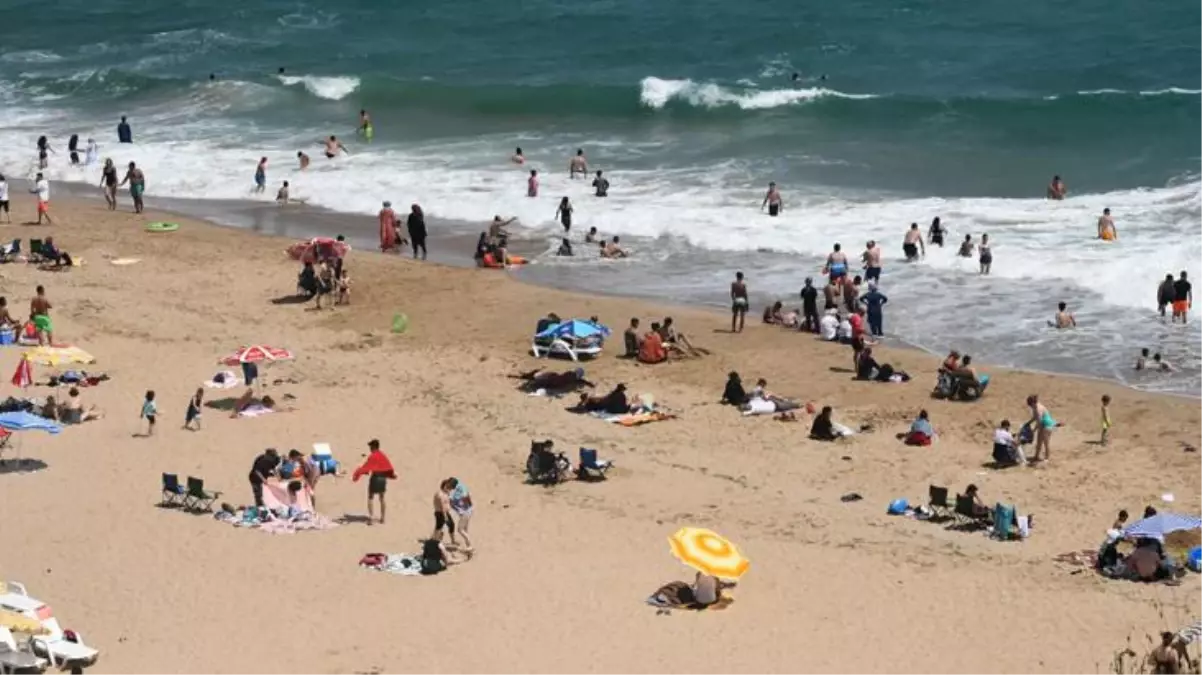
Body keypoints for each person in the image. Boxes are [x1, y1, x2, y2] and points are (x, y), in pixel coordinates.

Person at [352, 439, 397, 525]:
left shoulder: (373, 456)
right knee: (382, 498)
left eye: (370, 447)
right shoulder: (383, 455)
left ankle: (371, 518)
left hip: (376, 478)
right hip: (383, 478)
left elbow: (367, 467)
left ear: (373, 447)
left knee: (370, 497)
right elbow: (388, 466)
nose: (370, 448)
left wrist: (359, 472)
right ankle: (383, 518)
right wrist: (392, 475)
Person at [1026, 395, 1056, 462]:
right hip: (1042, 425)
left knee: (1046, 442)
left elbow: (1039, 421)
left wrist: (1034, 430)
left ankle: (1047, 458)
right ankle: (1036, 456)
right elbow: (1034, 417)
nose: (1030, 406)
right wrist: (1028, 423)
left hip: (1047, 425)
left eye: (1030, 405)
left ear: (1033, 403)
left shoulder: (1038, 408)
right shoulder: (1035, 407)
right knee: (1039, 442)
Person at [447, 477, 473, 550]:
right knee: (465, 530)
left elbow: (466, 496)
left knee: (460, 530)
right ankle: (468, 546)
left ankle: (470, 546)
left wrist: (465, 505)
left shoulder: (459, 491)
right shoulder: (459, 487)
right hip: (467, 511)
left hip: (465, 512)